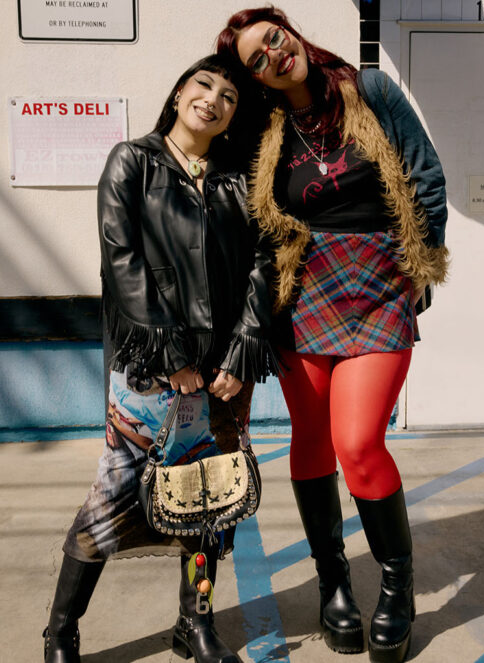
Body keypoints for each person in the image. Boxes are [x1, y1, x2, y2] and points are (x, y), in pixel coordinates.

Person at [215, 8, 449, 662]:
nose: (271, 57)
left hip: (379, 284)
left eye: (273, 40)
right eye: (255, 60)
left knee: (359, 440)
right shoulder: (267, 126)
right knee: (313, 436)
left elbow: (426, 175)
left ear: (289, 31)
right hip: (303, 287)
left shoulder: (368, 90)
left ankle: (396, 588)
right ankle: (334, 583)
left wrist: (421, 265)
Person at [42, 54, 276, 663]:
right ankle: (61, 631)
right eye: (204, 85)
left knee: (209, 502)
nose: (214, 100)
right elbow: (122, 261)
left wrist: (243, 350)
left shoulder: (238, 181)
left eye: (229, 96)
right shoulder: (133, 162)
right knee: (112, 495)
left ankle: (193, 625)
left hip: (224, 372)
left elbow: (261, 266)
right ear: (178, 94)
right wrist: (172, 353)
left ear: (232, 117)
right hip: (150, 369)